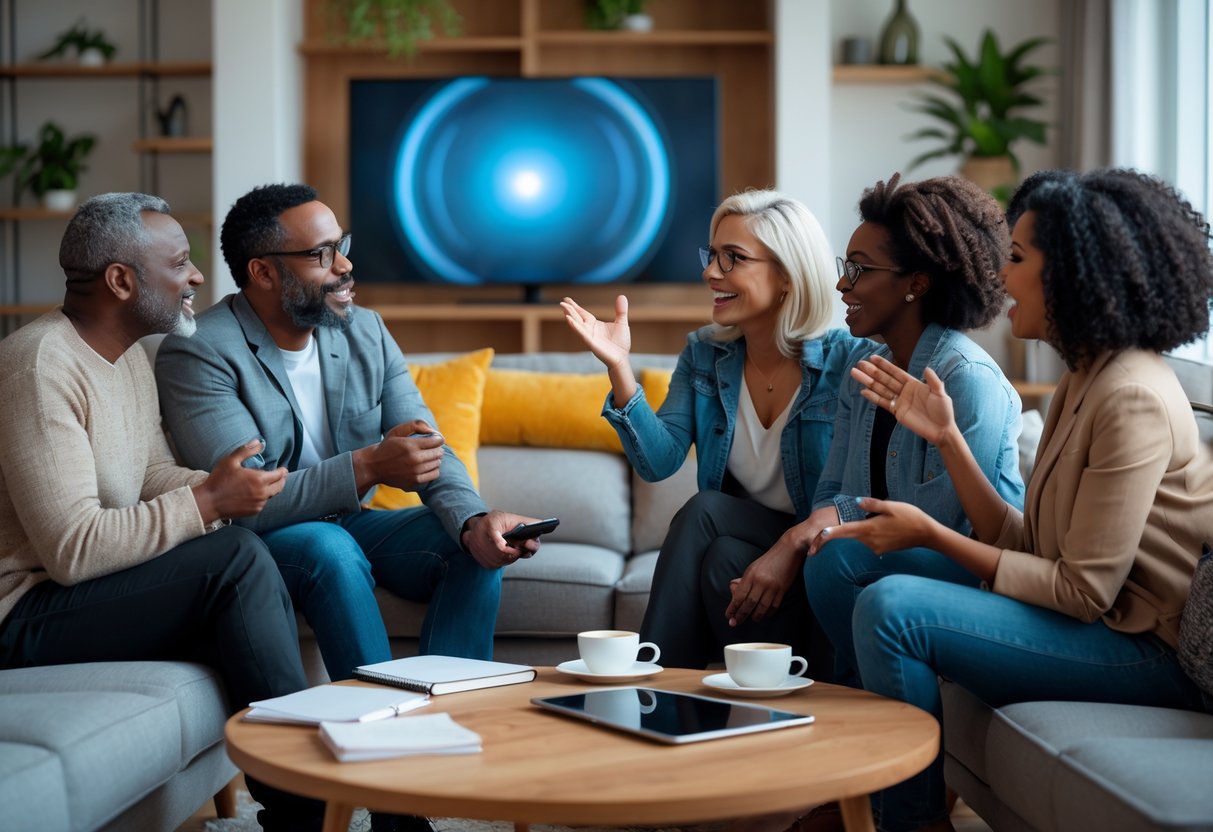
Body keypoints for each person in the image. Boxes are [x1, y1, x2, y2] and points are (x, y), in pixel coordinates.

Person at [818, 168, 1213, 832]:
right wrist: (946, 439)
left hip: (1144, 649)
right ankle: (853, 790)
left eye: (1019, 258)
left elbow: (1081, 592)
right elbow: (1028, 544)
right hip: (1096, 621)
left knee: (893, 608)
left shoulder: (1131, 395)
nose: (1000, 275)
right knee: (843, 562)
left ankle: (908, 821)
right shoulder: (1086, 376)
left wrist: (932, 534)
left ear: (1073, 273)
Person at [0, 193, 324, 831]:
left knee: (253, 559)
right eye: (179, 263)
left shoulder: (128, 359)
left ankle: (304, 803)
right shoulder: (39, 365)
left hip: (78, 594)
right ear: (122, 281)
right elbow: (71, 549)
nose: (197, 277)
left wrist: (228, 486)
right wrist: (207, 502)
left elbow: (147, 474)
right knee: (231, 562)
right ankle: (306, 811)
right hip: (21, 614)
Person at [155, 184, 540, 681]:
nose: (344, 267)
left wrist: (473, 521)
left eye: (342, 247)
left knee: (470, 545)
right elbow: (242, 501)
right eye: (322, 254)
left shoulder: (366, 330)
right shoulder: (200, 350)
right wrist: (369, 465)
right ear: (263, 271)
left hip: (351, 524)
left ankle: (453, 708)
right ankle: (380, 721)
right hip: (261, 542)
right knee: (329, 548)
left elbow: (430, 448)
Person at [561, 190, 862, 670]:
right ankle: (696, 702)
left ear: (786, 275)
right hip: (746, 544)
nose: (709, 273)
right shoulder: (704, 353)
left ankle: (648, 686)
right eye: (712, 255)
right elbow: (659, 463)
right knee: (721, 552)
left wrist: (791, 544)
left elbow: (865, 494)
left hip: (822, 549)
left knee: (708, 519)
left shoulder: (848, 361)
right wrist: (619, 367)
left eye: (733, 259)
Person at [798, 173, 1026, 688]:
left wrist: (825, 524)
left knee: (832, 555)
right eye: (844, 267)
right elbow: (830, 492)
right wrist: (817, 524)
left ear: (916, 285)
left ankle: (868, 708)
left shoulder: (968, 379)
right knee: (825, 550)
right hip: (894, 556)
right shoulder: (867, 366)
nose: (842, 285)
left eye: (859, 270)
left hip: (975, 568)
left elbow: (941, 520)